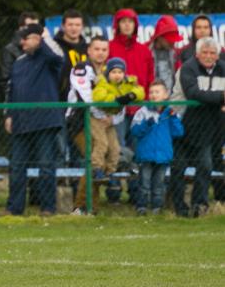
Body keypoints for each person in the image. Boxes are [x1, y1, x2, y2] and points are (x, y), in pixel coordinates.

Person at [4, 25, 64, 215]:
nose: (22, 42)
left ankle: (48, 208)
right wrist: (8, 114)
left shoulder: (48, 58)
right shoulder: (19, 62)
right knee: (16, 167)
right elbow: (11, 90)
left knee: (46, 166)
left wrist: (45, 39)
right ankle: (14, 209)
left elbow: (58, 58)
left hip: (45, 121)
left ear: (39, 39)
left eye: (27, 37)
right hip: (21, 121)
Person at [168, 37, 225, 217]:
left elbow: (204, 96)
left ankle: (199, 206)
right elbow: (194, 93)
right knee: (178, 167)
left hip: (206, 128)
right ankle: (179, 208)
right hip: (181, 125)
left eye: (212, 53)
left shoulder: (223, 69)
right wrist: (222, 97)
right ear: (197, 54)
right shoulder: (187, 68)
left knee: (205, 166)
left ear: (218, 55)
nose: (208, 56)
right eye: (204, 52)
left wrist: (215, 99)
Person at [107, 8, 154, 203]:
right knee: (115, 150)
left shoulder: (144, 50)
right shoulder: (109, 48)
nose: (127, 25)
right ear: (117, 25)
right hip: (116, 110)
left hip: (138, 110)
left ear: (135, 25)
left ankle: (136, 193)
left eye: (130, 22)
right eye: (123, 21)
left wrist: (147, 104)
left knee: (137, 152)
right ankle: (114, 192)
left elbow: (149, 79)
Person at [67, 36, 110, 214]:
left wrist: (113, 117)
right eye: (97, 49)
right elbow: (86, 97)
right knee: (94, 160)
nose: (100, 53)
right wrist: (103, 114)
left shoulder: (110, 71)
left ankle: (92, 208)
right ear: (89, 51)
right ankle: (80, 206)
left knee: (99, 162)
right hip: (79, 122)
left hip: (102, 123)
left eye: (104, 49)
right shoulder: (81, 68)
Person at [131, 81, 184, 215]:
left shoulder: (170, 112)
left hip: (163, 155)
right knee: (144, 183)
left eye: (157, 92)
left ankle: (157, 208)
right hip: (146, 154)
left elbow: (178, 132)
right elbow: (135, 131)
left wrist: (173, 118)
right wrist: (146, 124)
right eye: (151, 92)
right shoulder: (143, 111)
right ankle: (141, 207)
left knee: (159, 184)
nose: (154, 95)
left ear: (165, 95)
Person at [91, 57, 145, 184]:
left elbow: (140, 91)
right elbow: (99, 97)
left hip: (111, 119)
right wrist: (116, 99)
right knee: (102, 143)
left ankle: (110, 172)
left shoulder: (127, 83)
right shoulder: (102, 82)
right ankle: (96, 169)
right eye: (114, 72)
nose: (117, 75)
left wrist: (131, 95)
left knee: (115, 148)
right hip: (97, 118)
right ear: (108, 73)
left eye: (120, 72)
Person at [0, 12, 41, 89]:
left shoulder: (43, 49)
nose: (34, 30)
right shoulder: (10, 50)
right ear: (21, 28)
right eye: (31, 27)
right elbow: (6, 80)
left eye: (36, 27)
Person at [148, 15, 183, 93]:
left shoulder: (175, 54)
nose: (173, 43)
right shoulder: (145, 52)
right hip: (150, 97)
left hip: (171, 98)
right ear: (159, 37)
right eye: (169, 40)